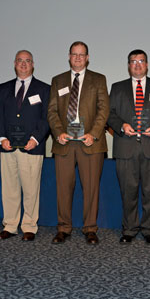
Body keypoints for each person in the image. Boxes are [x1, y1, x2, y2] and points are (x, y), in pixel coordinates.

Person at [108, 49, 150, 245]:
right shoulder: (118, 87)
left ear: (147, 64)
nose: (137, 65)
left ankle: (149, 230)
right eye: (133, 61)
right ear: (129, 65)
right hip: (126, 148)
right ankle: (129, 230)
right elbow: (109, 114)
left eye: (141, 61)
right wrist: (121, 126)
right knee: (128, 192)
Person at [47, 41, 109, 245]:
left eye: (82, 55)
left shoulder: (98, 80)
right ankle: (63, 228)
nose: (78, 58)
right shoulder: (58, 80)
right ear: (69, 56)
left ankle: (90, 228)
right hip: (64, 143)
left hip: (90, 143)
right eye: (74, 54)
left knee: (91, 188)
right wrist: (58, 132)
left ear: (88, 57)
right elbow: (52, 111)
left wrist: (94, 134)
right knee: (63, 188)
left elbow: (103, 110)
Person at [0, 50, 50, 241]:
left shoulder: (43, 89)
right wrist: (1, 138)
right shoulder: (4, 88)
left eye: (27, 61)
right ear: (14, 64)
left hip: (31, 147)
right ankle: (10, 225)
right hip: (8, 146)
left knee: (31, 189)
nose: (23, 64)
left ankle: (29, 227)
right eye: (20, 61)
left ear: (33, 64)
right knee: (9, 188)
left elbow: (46, 118)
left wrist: (35, 139)